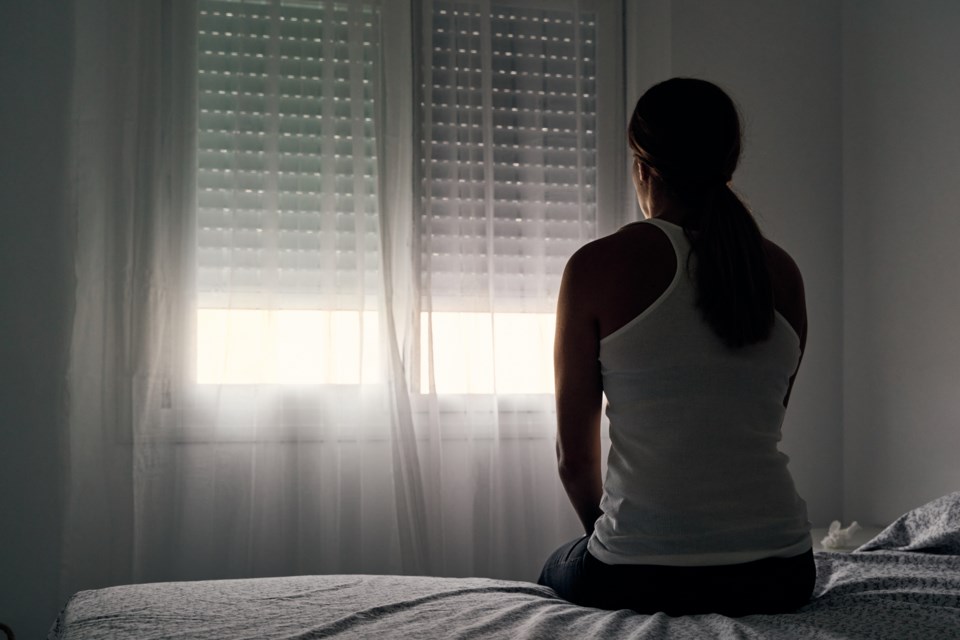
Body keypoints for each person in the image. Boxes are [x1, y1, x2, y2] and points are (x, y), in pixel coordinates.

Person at [537, 78, 815, 617]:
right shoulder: (782, 272)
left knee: (554, 568)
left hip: (638, 579)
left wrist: (620, 538)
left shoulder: (596, 267)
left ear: (641, 165)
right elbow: (756, 423)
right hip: (782, 573)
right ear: (728, 163)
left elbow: (574, 460)